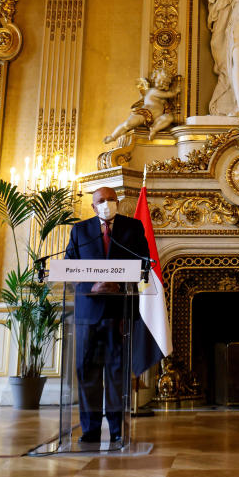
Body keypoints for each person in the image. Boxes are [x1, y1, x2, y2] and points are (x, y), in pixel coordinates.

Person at [64, 187, 149, 445]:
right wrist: (93, 285)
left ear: (118, 202)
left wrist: (120, 285)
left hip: (119, 312)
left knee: (116, 371)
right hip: (88, 313)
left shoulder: (132, 228)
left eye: (111, 200)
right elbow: (69, 266)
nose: (106, 204)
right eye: (101, 201)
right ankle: (89, 429)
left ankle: (116, 429)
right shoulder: (80, 231)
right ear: (93, 206)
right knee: (87, 370)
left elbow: (144, 264)